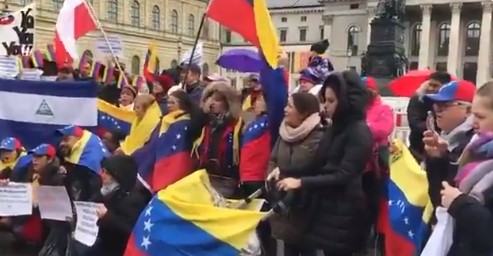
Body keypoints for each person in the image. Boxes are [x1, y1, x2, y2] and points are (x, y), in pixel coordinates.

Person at [275, 70, 372, 256]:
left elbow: (344, 175)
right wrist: (285, 171)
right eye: (325, 100)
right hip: (329, 211)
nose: (325, 106)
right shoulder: (334, 128)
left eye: (331, 101)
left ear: (346, 100)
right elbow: (317, 165)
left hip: (347, 214)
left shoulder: (359, 131)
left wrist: (301, 182)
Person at [423, 81, 493, 256]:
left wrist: (460, 204)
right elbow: (442, 201)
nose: (473, 122)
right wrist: (438, 160)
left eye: (480, 117)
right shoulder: (475, 150)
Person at [267, 92, 325, 256]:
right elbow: (273, 160)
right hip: (283, 205)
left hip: (307, 209)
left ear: (304, 112)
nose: (285, 110)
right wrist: (272, 180)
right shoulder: (283, 134)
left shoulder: (319, 137)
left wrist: (293, 180)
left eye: (290, 106)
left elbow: (315, 169)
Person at [422, 80, 476, 209]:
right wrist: (437, 159)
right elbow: (438, 196)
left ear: (468, 110)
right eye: (435, 106)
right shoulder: (448, 138)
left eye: (444, 105)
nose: (438, 111)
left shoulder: (474, 143)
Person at [360, 76, 394, 252]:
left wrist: (363, 128)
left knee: (373, 205)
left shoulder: (384, 109)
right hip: (358, 166)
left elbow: (384, 129)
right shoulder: (357, 109)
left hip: (375, 168)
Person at [194, 81, 243, 198]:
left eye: (217, 100)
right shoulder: (206, 125)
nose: (212, 103)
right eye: (210, 99)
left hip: (228, 180)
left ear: (227, 103)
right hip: (207, 177)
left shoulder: (236, 126)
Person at [94, 155, 147, 256]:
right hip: (103, 243)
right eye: (103, 171)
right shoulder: (109, 191)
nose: (103, 176)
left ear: (119, 176)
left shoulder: (133, 200)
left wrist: (108, 217)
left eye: (107, 173)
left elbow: (131, 232)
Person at [407, 71, 452, 161]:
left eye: (435, 86)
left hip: (442, 149)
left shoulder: (450, 102)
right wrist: (435, 125)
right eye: (430, 84)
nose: (431, 88)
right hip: (418, 148)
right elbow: (415, 123)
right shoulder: (418, 99)